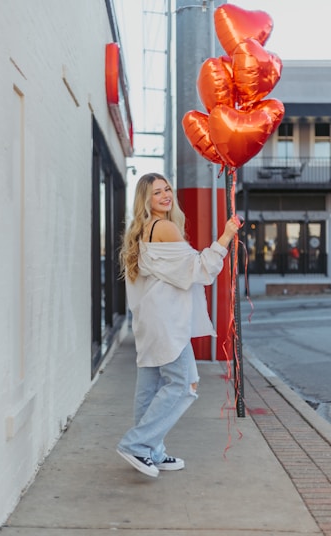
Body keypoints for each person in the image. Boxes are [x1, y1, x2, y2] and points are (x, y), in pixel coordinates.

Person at [117, 172, 240, 477]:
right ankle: (137, 444)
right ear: (147, 200)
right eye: (157, 192)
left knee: (150, 388)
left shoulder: (142, 229)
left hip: (150, 322)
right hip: (167, 322)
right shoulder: (165, 228)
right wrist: (225, 236)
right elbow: (200, 270)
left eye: (167, 189)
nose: (165, 195)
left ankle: (152, 451)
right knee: (186, 384)